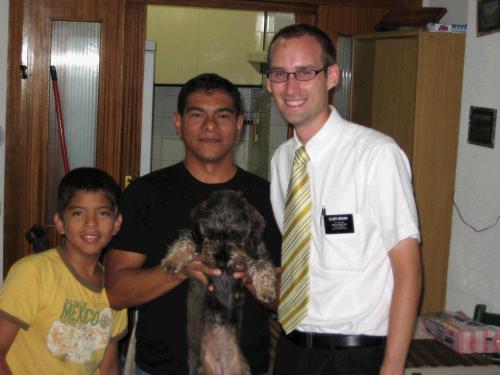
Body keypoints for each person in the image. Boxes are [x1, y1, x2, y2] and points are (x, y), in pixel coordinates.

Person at [266, 24, 422, 375]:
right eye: (279, 74)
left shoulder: (377, 155)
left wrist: (392, 368)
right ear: (269, 82)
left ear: (331, 76)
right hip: (291, 350)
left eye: (305, 72)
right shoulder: (281, 162)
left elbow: (408, 272)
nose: (290, 87)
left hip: (356, 357)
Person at [104, 73, 281, 375]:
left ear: (238, 125)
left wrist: (249, 277)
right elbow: (116, 292)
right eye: (197, 114)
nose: (209, 126)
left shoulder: (268, 196)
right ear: (178, 123)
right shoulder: (146, 194)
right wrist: (181, 270)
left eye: (221, 116)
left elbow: (288, 299)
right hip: (159, 369)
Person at [0, 167, 127, 375]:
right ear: (60, 222)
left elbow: (109, 366)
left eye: (103, 213)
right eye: (78, 213)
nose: (91, 223)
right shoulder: (33, 273)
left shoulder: (115, 288)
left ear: (116, 223)